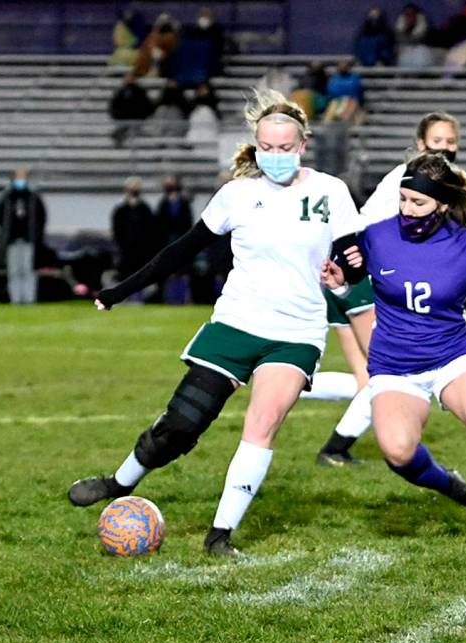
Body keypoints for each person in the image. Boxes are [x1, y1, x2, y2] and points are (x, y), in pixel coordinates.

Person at [67, 90, 364, 557]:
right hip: (237, 322)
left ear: (303, 146)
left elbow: (355, 257)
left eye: (286, 148)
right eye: (267, 148)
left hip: (296, 332)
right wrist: (122, 289)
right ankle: (118, 482)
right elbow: (181, 251)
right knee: (181, 426)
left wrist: (346, 272)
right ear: (256, 146)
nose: (276, 157)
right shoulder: (237, 194)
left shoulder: (332, 192)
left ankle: (220, 535)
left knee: (261, 424)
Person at [323, 153, 466, 549]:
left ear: (443, 205)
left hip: (452, 356)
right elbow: (351, 285)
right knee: (398, 453)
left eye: (418, 203)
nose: (406, 211)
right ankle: (451, 485)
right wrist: (340, 286)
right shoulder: (377, 236)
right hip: (395, 366)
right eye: (403, 200)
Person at [315, 111, 463, 466]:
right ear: (419, 144)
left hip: (349, 269)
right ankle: (333, 445)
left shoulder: (424, 178)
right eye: (437, 141)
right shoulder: (419, 181)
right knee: (392, 371)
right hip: (361, 274)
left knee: (366, 379)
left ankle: (286, 382)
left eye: (450, 142)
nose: (444, 149)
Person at [0, 168, 46, 305]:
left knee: (27, 269)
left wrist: (37, 235)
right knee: (14, 270)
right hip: (11, 240)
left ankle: (28, 298)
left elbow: (41, 218)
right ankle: (15, 298)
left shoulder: (33, 197)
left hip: (29, 239)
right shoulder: (7, 197)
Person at [110, 176, 161, 302]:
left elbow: (152, 230)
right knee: (126, 274)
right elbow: (117, 230)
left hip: (142, 250)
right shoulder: (120, 209)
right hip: (126, 250)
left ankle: (141, 298)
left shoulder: (145, 209)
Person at [154, 175, 194, 304]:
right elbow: (159, 224)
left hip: (181, 240)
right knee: (168, 270)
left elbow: (188, 223)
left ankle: (182, 297)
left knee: (182, 270)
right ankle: (168, 297)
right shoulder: (163, 203)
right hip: (167, 241)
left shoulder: (183, 203)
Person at [108, 73, 154, 148]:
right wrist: (121, 117)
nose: (129, 80)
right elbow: (113, 108)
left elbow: (148, 107)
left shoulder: (141, 92)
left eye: (131, 78)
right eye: (127, 78)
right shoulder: (120, 93)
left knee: (139, 135)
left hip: (138, 121)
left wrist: (140, 116)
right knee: (119, 134)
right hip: (124, 122)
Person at [322, 59, 364, 124]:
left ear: (348, 68)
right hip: (336, 101)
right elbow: (330, 92)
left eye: (345, 66)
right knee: (328, 119)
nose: (343, 68)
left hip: (351, 101)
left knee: (346, 114)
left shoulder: (354, 78)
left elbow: (358, 92)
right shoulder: (334, 79)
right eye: (341, 66)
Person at [394, 4, 434, 68]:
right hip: (402, 68)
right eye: (406, 15)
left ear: (418, 17)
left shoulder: (427, 34)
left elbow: (419, 40)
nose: (409, 18)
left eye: (411, 15)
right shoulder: (397, 34)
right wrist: (401, 31)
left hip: (421, 67)